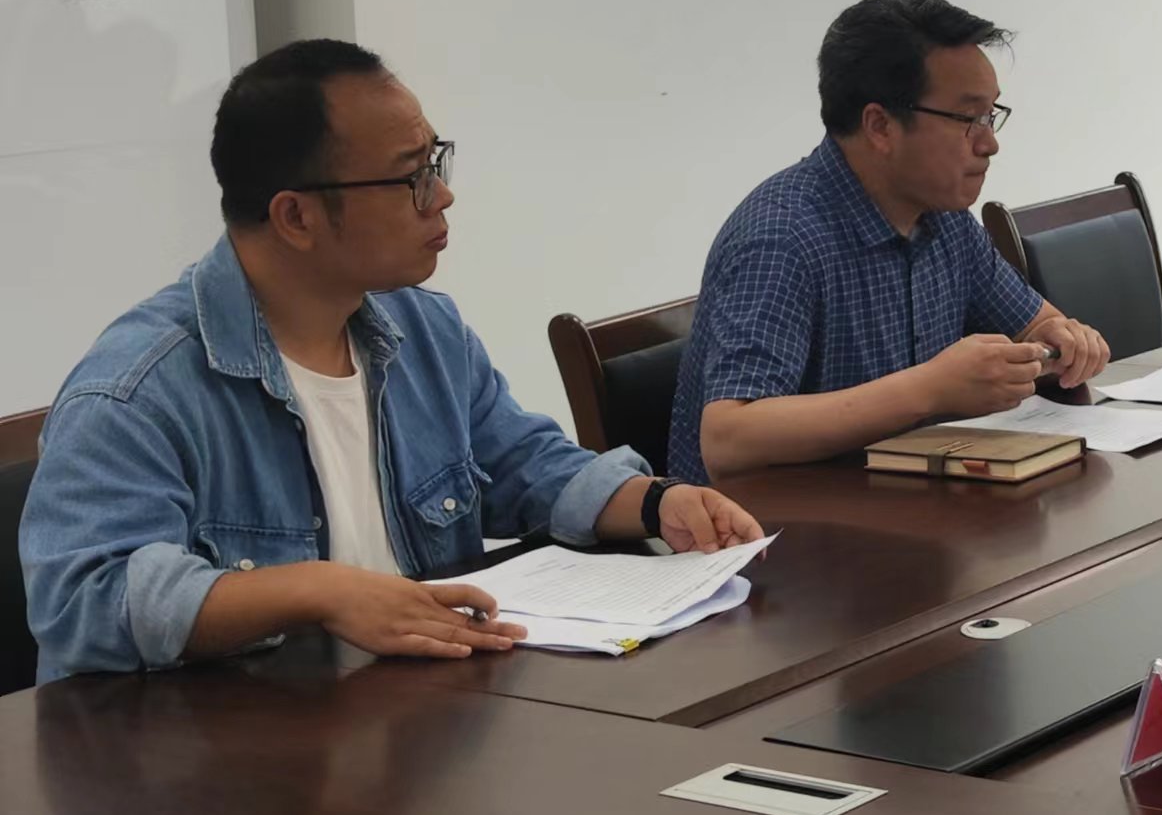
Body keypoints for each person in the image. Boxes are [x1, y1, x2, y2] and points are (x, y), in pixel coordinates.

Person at [21, 41, 763, 684]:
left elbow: (520, 463)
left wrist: (655, 502)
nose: (442, 196)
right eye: (411, 177)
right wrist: (318, 591)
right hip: (214, 759)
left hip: (408, 722)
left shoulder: (422, 329)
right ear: (296, 216)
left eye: (435, 161)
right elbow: (85, 599)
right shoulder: (137, 389)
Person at [670, 0, 1114, 481]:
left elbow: (1034, 324)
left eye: (991, 116)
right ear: (880, 126)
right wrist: (928, 390)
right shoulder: (782, 237)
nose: (989, 143)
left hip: (906, 501)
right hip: (780, 524)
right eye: (968, 119)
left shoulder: (944, 218)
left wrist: (1060, 340)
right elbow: (728, 438)